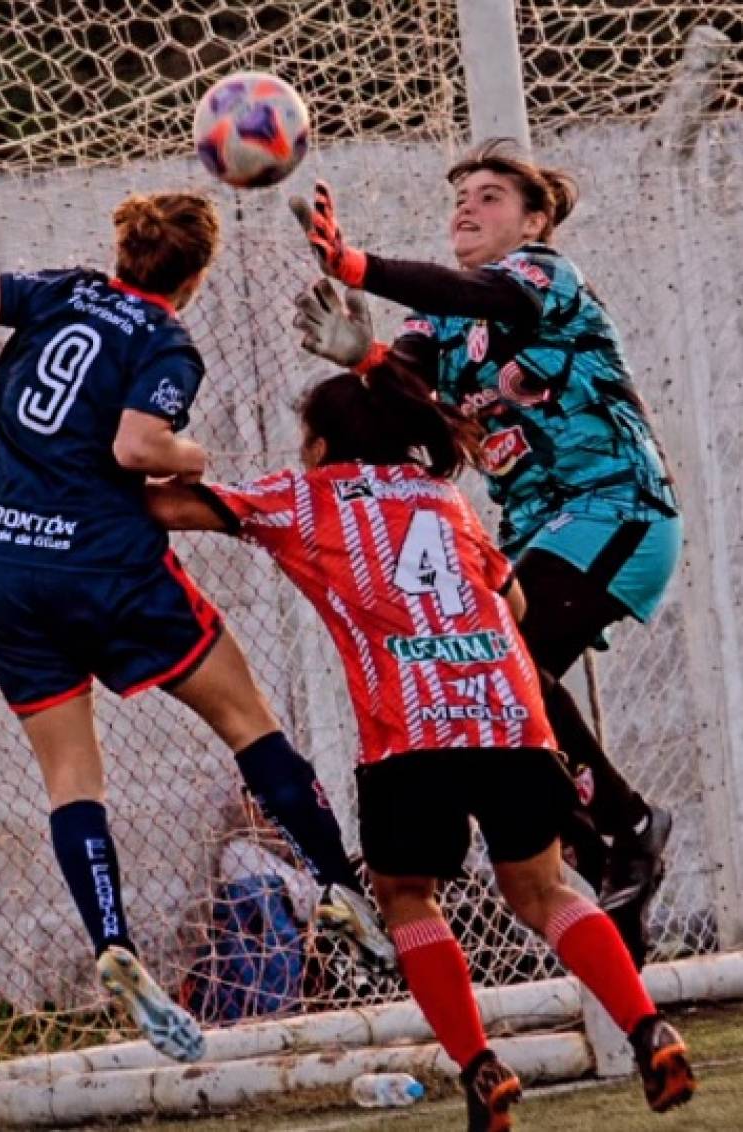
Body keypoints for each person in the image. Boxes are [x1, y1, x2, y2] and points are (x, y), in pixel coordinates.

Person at [0, 190, 393, 1064]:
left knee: (70, 775)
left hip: (1, 570)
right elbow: (137, 449)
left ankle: (113, 942)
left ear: (122, 251)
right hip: (104, 568)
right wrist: (192, 453)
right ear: (196, 276)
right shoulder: (165, 341)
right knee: (247, 720)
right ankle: (338, 883)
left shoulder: (60, 292)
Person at [145, 358, 695, 1128]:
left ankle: (478, 1067)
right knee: (544, 893)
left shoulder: (305, 498)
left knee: (407, 897)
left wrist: (115, 463)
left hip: (410, 736)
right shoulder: (446, 500)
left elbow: (171, 509)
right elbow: (515, 598)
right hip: (509, 716)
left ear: (323, 442)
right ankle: (647, 1028)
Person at [288, 138, 681, 963]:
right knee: (495, 678)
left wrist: (355, 262)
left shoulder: (543, 276)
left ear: (534, 220)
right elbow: (402, 401)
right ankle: (604, 852)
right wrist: (362, 357)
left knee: (506, 656)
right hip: (531, 531)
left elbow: (464, 285)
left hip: (613, 509)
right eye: (461, 194)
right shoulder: (441, 323)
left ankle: (625, 825)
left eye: (491, 195)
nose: (467, 206)